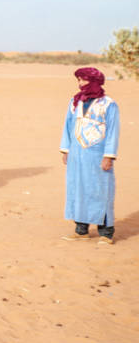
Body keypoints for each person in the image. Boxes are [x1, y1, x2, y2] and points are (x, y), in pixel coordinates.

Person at [60, 67, 120, 245]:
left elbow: (113, 131)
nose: (80, 84)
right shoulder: (75, 101)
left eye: (83, 80)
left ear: (94, 81)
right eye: (78, 80)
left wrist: (108, 155)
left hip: (98, 155)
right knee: (78, 189)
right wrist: (66, 149)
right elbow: (68, 125)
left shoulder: (108, 104)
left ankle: (106, 233)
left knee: (102, 191)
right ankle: (81, 230)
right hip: (77, 154)